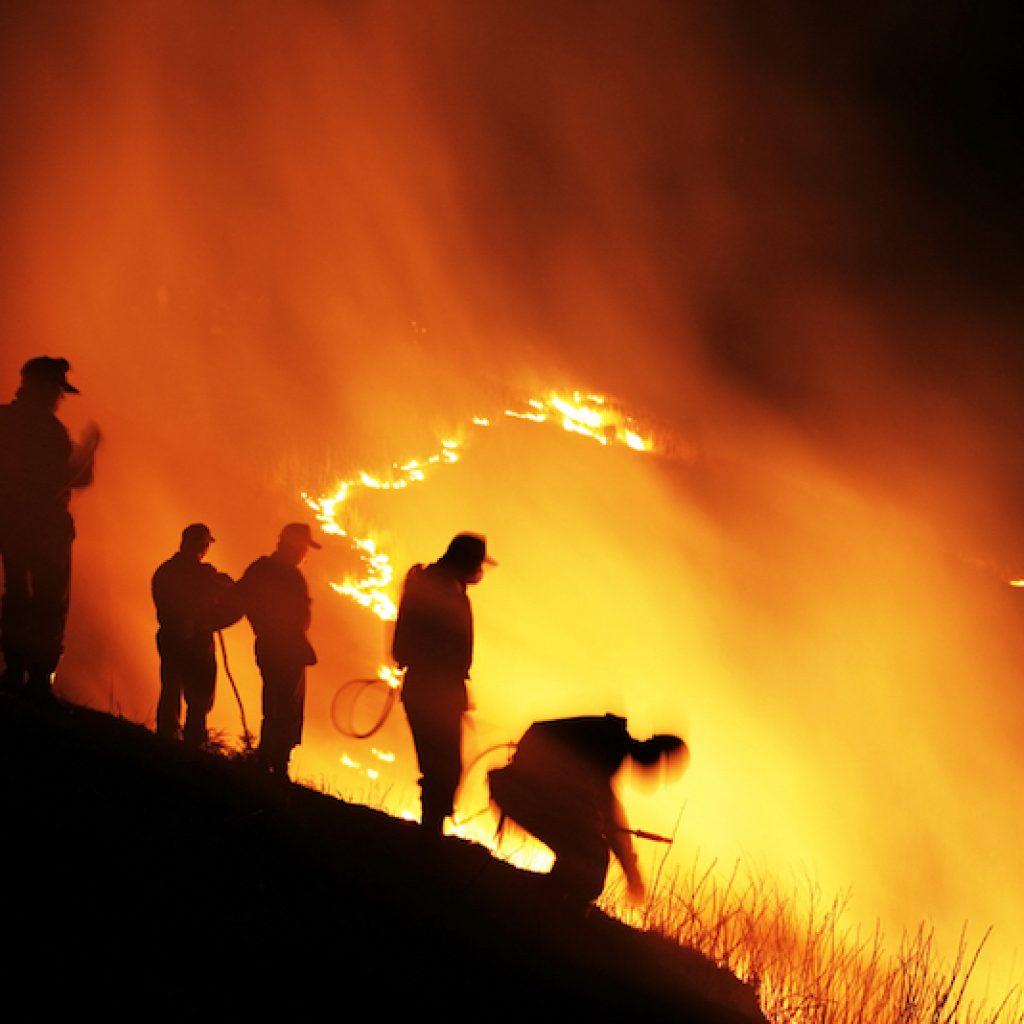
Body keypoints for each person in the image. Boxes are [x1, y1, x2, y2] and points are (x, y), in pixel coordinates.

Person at [488, 714, 687, 907]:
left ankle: (537, 897)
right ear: (655, 749)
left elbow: (605, 810)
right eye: (661, 764)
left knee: (586, 858)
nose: (656, 772)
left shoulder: (611, 744)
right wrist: (631, 872)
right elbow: (608, 813)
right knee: (589, 859)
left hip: (517, 790)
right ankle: (528, 897)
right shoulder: (609, 745)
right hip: (520, 792)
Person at [0, 357, 100, 700]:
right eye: (58, 390)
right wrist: (88, 450)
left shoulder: (5, 420)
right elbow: (73, 477)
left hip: (11, 525)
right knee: (48, 604)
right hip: (45, 530)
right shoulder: (50, 432)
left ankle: (13, 671)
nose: (60, 398)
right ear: (42, 387)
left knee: (17, 597)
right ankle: (40, 680)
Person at [391, 532, 495, 834]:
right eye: (477, 562)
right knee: (443, 764)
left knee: (442, 763)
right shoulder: (442, 587)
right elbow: (440, 642)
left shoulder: (436, 583)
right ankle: (430, 832)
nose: (480, 571)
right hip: (435, 687)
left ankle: (431, 827)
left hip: (433, 685)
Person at [236, 523, 320, 777]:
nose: (305, 552)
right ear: (294, 545)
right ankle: (276, 761)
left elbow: (238, 598)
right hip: (286, 649)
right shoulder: (288, 576)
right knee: (285, 706)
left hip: (273, 647)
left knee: (275, 702)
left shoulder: (261, 569)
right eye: (304, 546)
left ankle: (268, 756)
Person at [151, 523, 239, 746]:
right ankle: (194, 741)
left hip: (170, 637)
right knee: (199, 696)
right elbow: (237, 597)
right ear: (203, 547)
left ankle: (165, 735)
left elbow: (163, 604)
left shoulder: (165, 571)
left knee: (171, 686)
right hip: (197, 643)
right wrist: (212, 622)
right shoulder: (206, 576)